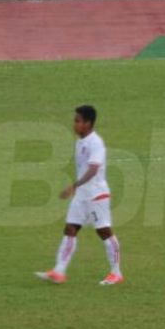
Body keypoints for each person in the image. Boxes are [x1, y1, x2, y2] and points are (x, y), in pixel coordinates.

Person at [35, 105, 124, 286]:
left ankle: (116, 273)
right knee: (70, 229)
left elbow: (93, 169)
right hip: (82, 196)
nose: (74, 124)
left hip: (96, 195)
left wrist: (74, 185)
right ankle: (59, 271)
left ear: (88, 123)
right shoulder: (80, 142)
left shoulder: (95, 143)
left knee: (104, 232)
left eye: (77, 121)